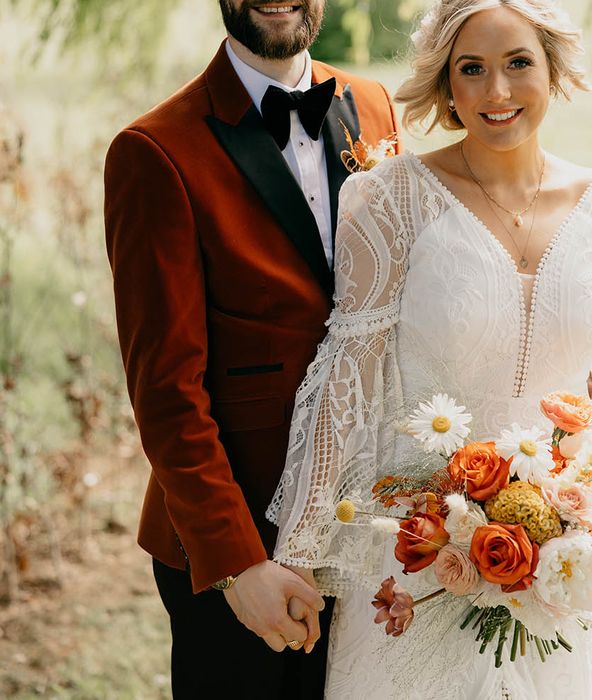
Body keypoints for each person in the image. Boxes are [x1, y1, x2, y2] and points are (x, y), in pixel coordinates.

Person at [267, 0, 592, 697]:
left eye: (518, 65)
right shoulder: (389, 201)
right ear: (447, 85)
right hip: (416, 554)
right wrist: (299, 552)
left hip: (560, 569)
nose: (497, 92)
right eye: (471, 69)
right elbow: (345, 379)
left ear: (553, 69)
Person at [103, 0, 398, 696]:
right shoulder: (154, 151)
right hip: (244, 542)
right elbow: (166, 394)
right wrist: (238, 565)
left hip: (368, 535)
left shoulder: (375, 105)